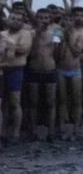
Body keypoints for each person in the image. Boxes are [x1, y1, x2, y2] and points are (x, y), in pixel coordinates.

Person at [24, 8, 59, 141]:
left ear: (50, 19)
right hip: (34, 70)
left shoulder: (55, 33)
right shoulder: (31, 33)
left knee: (51, 102)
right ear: (36, 19)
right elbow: (29, 53)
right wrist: (37, 35)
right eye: (41, 18)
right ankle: (33, 131)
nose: (43, 21)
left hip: (50, 70)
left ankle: (51, 132)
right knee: (33, 102)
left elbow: (57, 53)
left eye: (46, 18)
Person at [1, 11, 33, 143]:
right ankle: (2, 132)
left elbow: (23, 50)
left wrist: (9, 44)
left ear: (22, 22)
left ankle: (16, 133)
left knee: (15, 101)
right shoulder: (2, 34)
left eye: (18, 19)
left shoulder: (26, 34)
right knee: (2, 103)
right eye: (13, 18)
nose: (15, 21)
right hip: (2, 70)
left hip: (16, 70)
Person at [57, 8, 83, 137]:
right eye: (66, 20)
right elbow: (58, 54)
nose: (68, 22)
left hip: (75, 70)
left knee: (77, 99)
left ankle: (76, 126)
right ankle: (62, 126)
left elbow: (76, 53)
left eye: (70, 20)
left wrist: (68, 39)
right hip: (61, 69)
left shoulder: (79, 33)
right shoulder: (58, 33)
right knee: (62, 99)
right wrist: (62, 40)